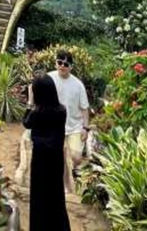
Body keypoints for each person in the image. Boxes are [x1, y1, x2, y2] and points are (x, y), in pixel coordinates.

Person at [24, 75, 71, 231]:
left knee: (39, 197)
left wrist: (30, 102)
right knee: (56, 196)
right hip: (56, 159)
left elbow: (26, 123)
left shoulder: (36, 114)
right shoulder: (62, 111)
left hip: (40, 161)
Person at [48, 50, 90, 193]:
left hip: (75, 127)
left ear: (71, 66)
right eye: (60, 62)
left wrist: (85, 127)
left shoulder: (78, 85)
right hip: (55, 127)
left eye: (66, 64)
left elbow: (85, 108)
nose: (62, 66)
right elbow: (35, 90)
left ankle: (77, 175)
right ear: (56, 62)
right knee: (61, 158)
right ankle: (66, 185)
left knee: (76, 157)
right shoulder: (49, 79)